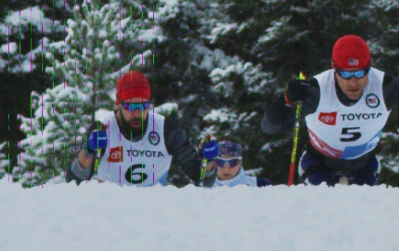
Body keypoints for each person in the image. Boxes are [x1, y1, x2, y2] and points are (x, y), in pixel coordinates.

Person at [262, 35, 399, 186]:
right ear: (334, 68)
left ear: (369, 66)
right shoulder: (317, 89)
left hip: (364, 166)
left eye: (360, 73)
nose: (353, 82)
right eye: (346, 74)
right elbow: (269, 127)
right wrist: (286, 99)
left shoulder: (385, 86)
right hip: (318, 164)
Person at [66, 70, 205, 186]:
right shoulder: (103, 128)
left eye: (143, 106)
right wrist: (88, 151)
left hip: (150, 208)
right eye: (130, 107)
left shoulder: (166, 130)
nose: (137, 113)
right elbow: (74, 182)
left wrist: (207, 161)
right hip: (108, 209)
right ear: (118, 104)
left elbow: (202, 177)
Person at [198, 139, 264, 187]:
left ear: (240, 162)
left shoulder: (259, 185)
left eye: (233, 162)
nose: (226, 168)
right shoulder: (202, 189)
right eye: (220, 162)